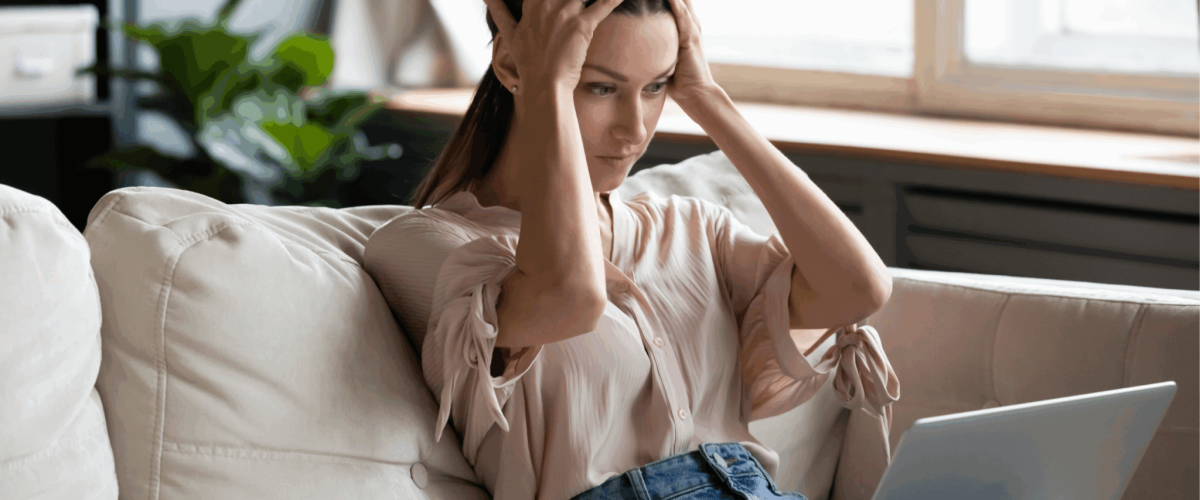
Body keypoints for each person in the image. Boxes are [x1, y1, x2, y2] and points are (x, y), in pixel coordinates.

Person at [365, 0, 901, 498]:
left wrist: (707, 98)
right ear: (512, 67)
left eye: (656, 87)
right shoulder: (422, 246)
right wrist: (547, 81)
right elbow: (569, 297)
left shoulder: (692, 228)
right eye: (599, 87)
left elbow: (860, 287)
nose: (634, 130)